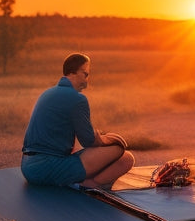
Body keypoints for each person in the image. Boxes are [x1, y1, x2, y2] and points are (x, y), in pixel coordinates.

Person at [21, 53, 134, 189]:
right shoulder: (77, 99)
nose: (86, 82)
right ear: (72, 72)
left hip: (28, 167)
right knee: (118, 149)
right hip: (47, 168)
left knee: (126, 158)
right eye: (85, 74)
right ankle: (90, 184)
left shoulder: (47, 93)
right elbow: (88, 141)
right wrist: (106, 140)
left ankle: (86, 180)